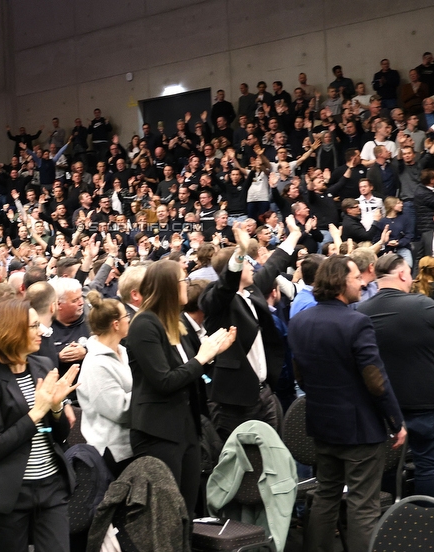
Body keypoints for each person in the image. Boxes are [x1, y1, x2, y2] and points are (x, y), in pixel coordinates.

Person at [287, 255, 405, 552]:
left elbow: (300, 374)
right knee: (363, 506)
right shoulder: (357, 322)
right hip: (360, 431)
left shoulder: (300, 320)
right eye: (355, 278)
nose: (362, 282)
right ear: (341, 283)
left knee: (325, 497)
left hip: (322, 424)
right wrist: (396, 421)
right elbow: (376, 381)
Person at [125, 259, 236, 517]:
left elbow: (190, 375)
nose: (187, 284)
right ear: (167, 286)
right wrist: (202, 358)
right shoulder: (144, 325)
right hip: (158, 431)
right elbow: (164, 381)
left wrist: (214, 354)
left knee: (185, 512)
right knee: (165, 515)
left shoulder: (177, 323)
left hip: (186, 428)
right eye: (182, 280)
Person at [0, 299, 80, 552]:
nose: (41, 330)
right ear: (12, 330)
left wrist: (55, 408)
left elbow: (60, 435)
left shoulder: (43, 365)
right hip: (11, 492)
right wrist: (37, 411)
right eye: (33, 326)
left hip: (51, 485)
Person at [358, 253, 434, 500]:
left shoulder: (362, 311)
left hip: (384, 407)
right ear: (402, 274)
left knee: (385, 468)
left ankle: (386, 527)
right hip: (428, 404)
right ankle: (431, 527)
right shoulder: (422, 304)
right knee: (429, 469)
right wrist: (433, 342)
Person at [199, 217, 302, 440]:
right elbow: (226, 285)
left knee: (273, 457)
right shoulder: (217, 300)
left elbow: (274, 265)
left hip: (264, 393)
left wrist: (294, 235)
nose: (252, 265)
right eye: (247, 262)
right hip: (235, 401)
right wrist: (240, 251)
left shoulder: (252, 290)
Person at [77, 290, 133, 476]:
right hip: (113, 451)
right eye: (127, 316)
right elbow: (119, 411)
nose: (129, 319)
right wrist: (149, 392)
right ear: (116, 324)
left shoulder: (123, 351)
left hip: (130, 444)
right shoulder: (96, 363)